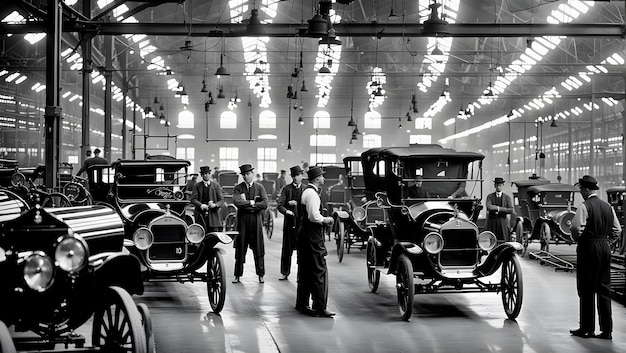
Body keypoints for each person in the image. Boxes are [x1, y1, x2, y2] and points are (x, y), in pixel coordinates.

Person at [569, 175, 621, 340]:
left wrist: (580, 240)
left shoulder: (584, 206)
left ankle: (587, 328)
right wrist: (607, 242)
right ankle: (607, 331)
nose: (581, 193)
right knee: (604, 288)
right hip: (604, 247)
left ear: (585, 189)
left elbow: (576, 228)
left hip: (588, 247)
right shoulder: (608, 206)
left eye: (581, 190)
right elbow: (617, 230)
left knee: (586, 288)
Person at [296, 166, 335, 317]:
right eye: (322, 177)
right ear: (317, 179)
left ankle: (302, 303)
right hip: (313, 236)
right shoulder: (312, 194)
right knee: (319, 270)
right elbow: (314, 217)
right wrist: (328, 219)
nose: (324, 179)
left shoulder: (306, 191)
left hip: (304, 235)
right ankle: (320, 307)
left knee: (305, 270)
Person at [232, 164, 268, 284]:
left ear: (252, 174)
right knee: (240, 248)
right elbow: (237, 202)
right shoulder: (238, 188)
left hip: (255, 220)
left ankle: (261, 275)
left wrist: (250, 205)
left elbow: (265, 204)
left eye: (248, 174)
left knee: (258, 248)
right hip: (242, 221)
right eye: (244, 175)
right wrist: (252, 203)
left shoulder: (260, 187)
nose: (246, 176)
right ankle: (237, 275)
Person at [277, 166, 304, 281]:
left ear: (301, 176)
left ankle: (300, 274)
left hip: (302, 224)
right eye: (293, 176)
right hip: (289, 223)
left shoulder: (306, 189)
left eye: (297, 175)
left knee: (302, 250)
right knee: (287, 248)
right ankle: (285, 272)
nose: (295, 178)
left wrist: (296, 203)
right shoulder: (286, 189)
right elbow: (280, 205)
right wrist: (287, 209)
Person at [191, 166, 224, 232]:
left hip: (213, 215)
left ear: (210, 174)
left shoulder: (216, 185)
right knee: (201, 233)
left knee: (213, 235)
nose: (206, 175)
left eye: (208, 173)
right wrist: (201, 205)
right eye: (204, 174)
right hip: (200, 215)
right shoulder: (197, 186)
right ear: (201, 175)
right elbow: (193, 199)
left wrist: (215, 205)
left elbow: (221, 200)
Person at [485, 177, 514, 242]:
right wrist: (503, 210)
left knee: (504, 240)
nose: (498, 187)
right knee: (492, 240)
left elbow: (510, 210)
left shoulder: (507, 197)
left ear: (503, 186)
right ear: (494, 185)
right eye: (497, 185)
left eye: (500, 185)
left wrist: (498, 209)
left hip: (503, 222)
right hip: (492, 222)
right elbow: (489, 207)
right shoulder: (490, 196)